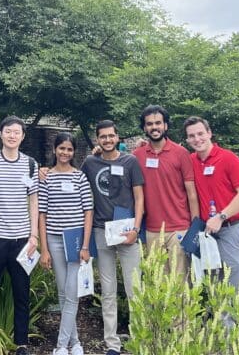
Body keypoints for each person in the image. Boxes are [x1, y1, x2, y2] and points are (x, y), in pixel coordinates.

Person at [0, 116, 39, 355]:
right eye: (8, 131)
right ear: (1, 134)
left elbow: (34, 200)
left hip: (22, 239)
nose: (12, 136)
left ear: (23, 136)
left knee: (22, 293)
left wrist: (34, 236)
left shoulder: (31, 164)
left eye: (17, 132)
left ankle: (21, 343)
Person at [81, 120, 144, 355]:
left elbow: (139, 198)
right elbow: (75, 182)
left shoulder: (130, 162)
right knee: (107, 290)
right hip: (101, 231)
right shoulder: (90, 162)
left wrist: (136, 229)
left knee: (133, 288)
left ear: (118, 137)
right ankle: (112, 343)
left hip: (127, 231)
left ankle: (138, 338)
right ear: (97, 140)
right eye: (102, 137)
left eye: (111, 136)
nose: (107, 140)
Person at [183, 116, 239, 303]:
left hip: (230, 229)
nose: (197, 139)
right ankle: (224, 330)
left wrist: (221, 216)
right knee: (216, 289)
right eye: (192, 136)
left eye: (200, 134)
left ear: (209, 133)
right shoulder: (190, 161)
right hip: (206, 234)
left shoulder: (229, 158)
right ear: (187, 140)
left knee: (238, 286)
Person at [38, 133, 94, 355]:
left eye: (69, 149)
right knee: (63, 292)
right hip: (53, 239)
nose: (65, 153)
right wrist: (44, 248)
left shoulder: (79, 177)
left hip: (76, 240)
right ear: (55, 150)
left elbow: (88, 211)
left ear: (73, 152)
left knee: (71, 292)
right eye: (61, 148)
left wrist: (86, 245)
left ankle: (61, 345)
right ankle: (76, 342)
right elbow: (42, 214)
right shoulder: (46, 178)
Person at [133, 104, 199, 274]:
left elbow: (191, 193)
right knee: (158, 284)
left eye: (158, 123)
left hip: (179, 227)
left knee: (180, 281)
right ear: (144, 128)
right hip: (152, 229)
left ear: (165, 126)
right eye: (149, 124)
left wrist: (195, 226)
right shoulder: (137, 156)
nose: (154, 127)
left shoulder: (181, 153)